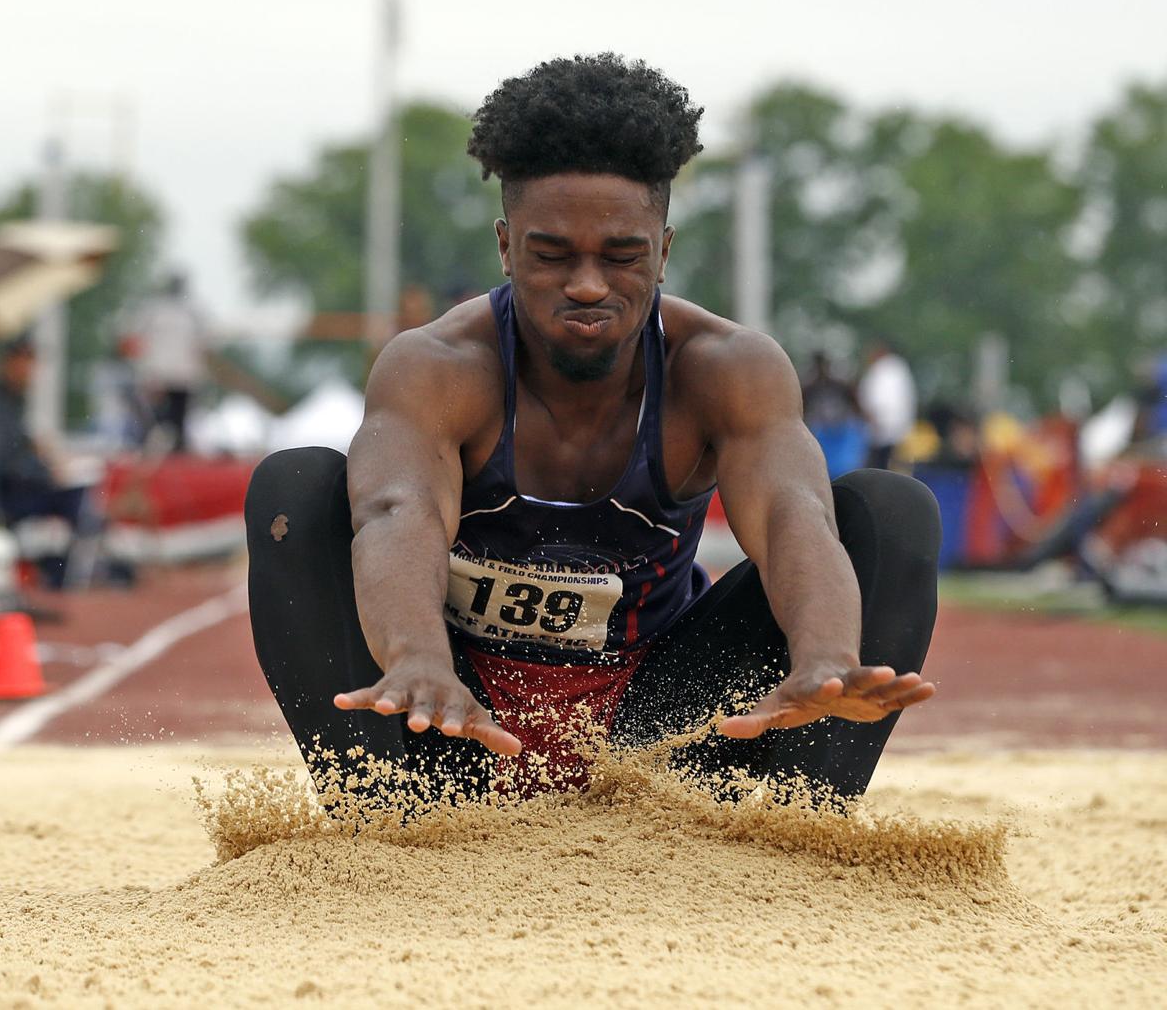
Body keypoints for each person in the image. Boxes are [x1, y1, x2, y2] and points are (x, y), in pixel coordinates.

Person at [245, 54, 939, 804]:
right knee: (294, 489)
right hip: (457, 719)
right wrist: (417, 657)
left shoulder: (724, 368)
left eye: (621, 256)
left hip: (661, 729)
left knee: (892, 512)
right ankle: (387, 828)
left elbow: (792, 516)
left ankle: (793, 832)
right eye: (551, 256)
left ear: (663, 252)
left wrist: (823, 658)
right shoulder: (438, 366)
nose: (585, 284)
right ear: (506, 246)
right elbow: (395, 510)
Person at [0, 337, 94, 587]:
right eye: (27, 363)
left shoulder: (13, 399)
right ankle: (60, 575)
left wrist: (40, 450)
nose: (31, 371)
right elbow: (2, 458)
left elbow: (18, 442)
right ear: (11, 362)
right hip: (6, 489)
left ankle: (59, 569)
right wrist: (45, 472)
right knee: (75, 498)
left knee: (78, 494)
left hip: (19, 481)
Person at [129, 272, 208, 453]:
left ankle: (175, 448)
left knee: (177, 417)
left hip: (180, 375)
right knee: (156, 417)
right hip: (160, 374)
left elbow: (201, 344)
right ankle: (155, 445)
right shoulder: (155, 311)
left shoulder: (191, 312)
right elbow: (137, 339)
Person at [801, 350, 866, 479]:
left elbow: (858, 408)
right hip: (822, 434)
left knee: (840, 470)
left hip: (840, 436)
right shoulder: (809, 388)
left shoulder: (840, 385)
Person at [857, 339, 917, 470]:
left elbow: (878, 400)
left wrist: (875, 419)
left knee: (881, 465)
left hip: (883, 426)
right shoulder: (897, 369)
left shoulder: (883, 371)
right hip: (895, 428)